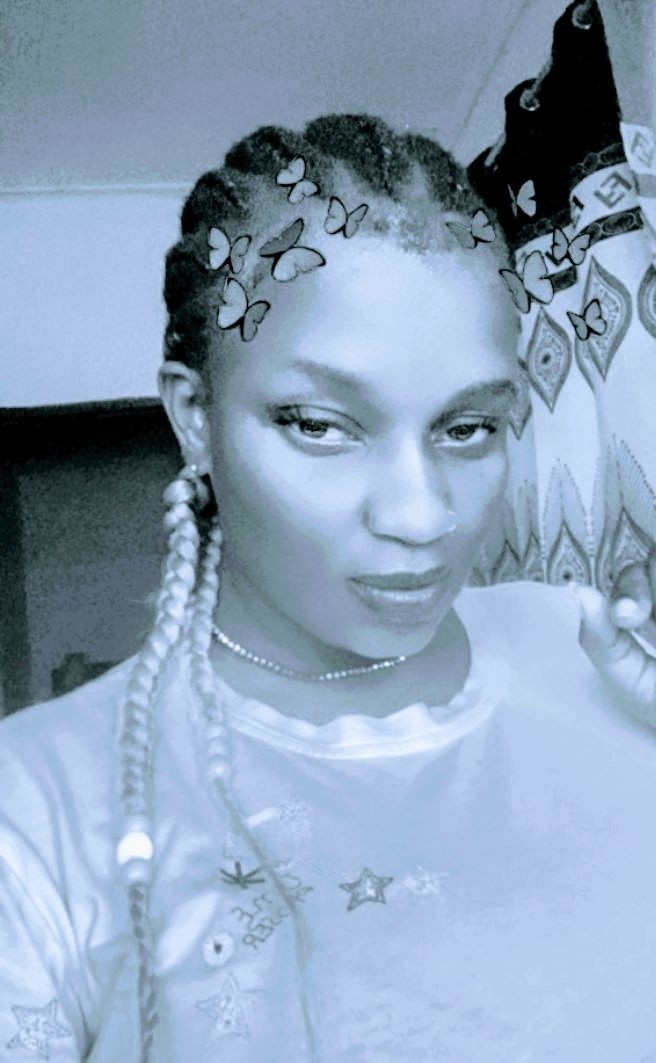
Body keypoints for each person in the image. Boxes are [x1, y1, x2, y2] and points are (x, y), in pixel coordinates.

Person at [2, 110, 656, 1063]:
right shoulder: (36, 812)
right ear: (196, 415)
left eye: (469, 427)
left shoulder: (597, 654)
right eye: (320, 424)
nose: (422, 515)